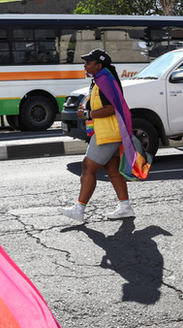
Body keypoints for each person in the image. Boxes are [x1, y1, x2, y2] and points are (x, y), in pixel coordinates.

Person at [59, 49, 138, 222]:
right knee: (112, 170)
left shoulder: (103, 80)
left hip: (107, 132)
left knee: (88, 168)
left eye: (88, 63)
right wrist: (87, 110)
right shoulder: (101, 79)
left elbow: (110, 108)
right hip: (110, 131)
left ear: (99, 65)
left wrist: (87, 114)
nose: (85, 65)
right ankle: (125, 208)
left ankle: (79, 209)